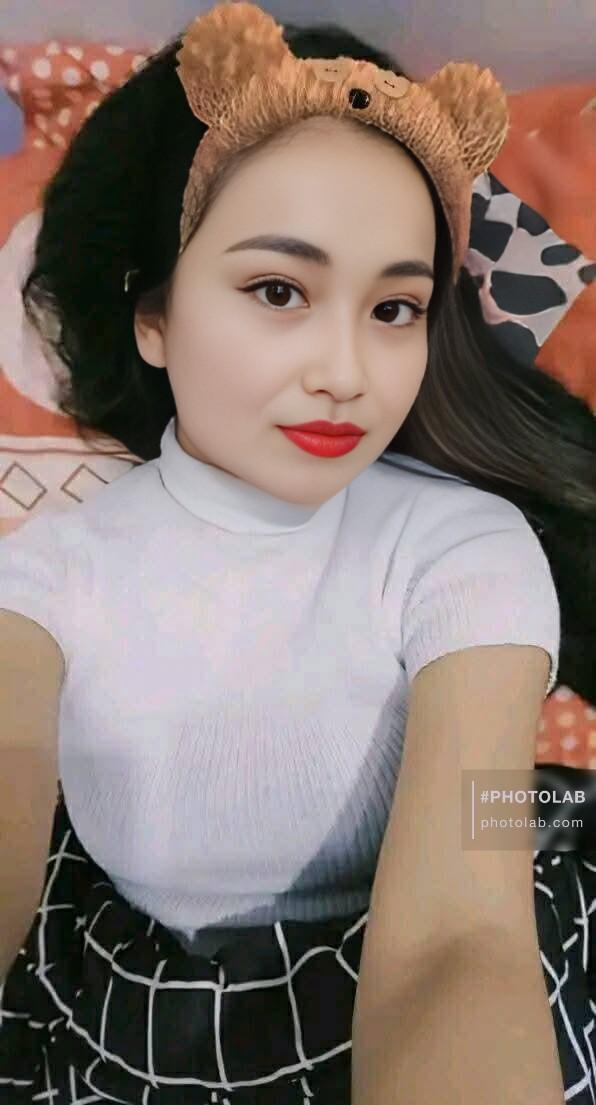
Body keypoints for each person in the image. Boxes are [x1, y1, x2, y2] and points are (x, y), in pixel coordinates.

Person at [0, 3, 595, 1103]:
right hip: (137, 986)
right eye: (278, 290)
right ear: (152, 316)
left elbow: (459, 938)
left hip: (466, 900)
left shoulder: (460, 544)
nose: (346, 372)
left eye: (394, 308)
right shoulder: (48, 570)